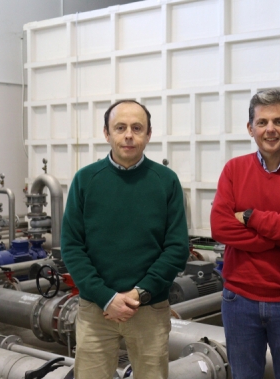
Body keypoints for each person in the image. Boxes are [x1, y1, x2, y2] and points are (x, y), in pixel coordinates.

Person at [61, 100, 189, 378]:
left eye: (136, 128)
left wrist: (139, 294)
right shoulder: (85, 180)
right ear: (107, 134)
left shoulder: (166, 181)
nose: (128, 134)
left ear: (148, 134)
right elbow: (72, 247)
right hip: (96, 310)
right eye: (120, 127)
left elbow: (177, 248)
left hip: (150, 310)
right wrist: (106, 297)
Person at [210, 88, 280, 379]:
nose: (270, 129)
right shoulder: (234, 170)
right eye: (262, 122)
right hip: (240, 300)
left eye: (279, 121)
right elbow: (220, 226)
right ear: (250, 128)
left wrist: (249, 216)